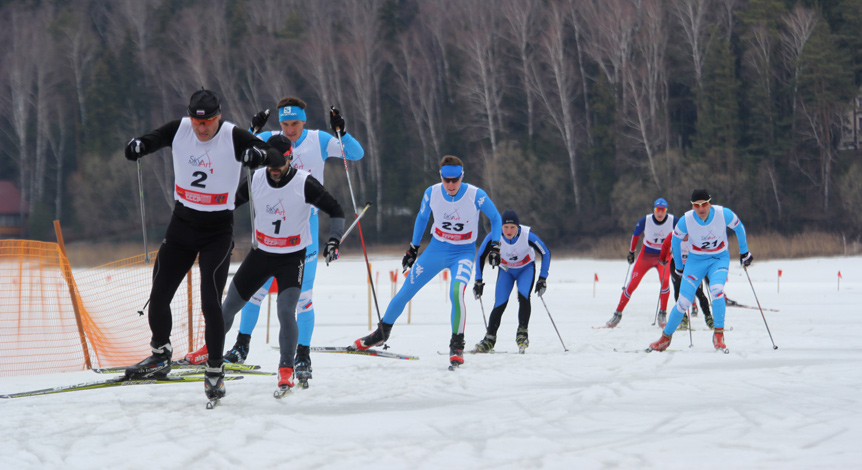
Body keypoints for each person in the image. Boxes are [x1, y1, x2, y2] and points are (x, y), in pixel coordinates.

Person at [183, 97, 363, 389]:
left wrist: (342, 131)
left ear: (303, 122)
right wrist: (251, 130)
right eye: (285, 124)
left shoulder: (319, 140)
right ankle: (230, 347)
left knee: (296, 304)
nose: (289, 129)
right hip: (264, 242)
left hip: (302, 233)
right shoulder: (265, 145)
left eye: (294, 124)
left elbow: (355, 154)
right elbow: (230, 182)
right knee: (239, 300)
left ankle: (298, 358)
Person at [122, 89, 287, 401]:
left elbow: (276, 156)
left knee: (210, 303)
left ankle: (214, 369)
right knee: (158, 295)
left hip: (217, 232)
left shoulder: (232, 135)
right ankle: (160, 353)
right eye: (198, 122)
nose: (202, 128)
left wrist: (260, 156)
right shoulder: (179, 128)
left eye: (208, 121)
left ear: (218, 116)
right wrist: (138, 147)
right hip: (182, 225)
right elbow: (151, 140)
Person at [218, 134, 345, 393]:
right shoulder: (255, 178)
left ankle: (286, 369)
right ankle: (212, 357)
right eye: (270, 166)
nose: (274, 172)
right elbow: (228, 204)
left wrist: (333, 240)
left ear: (289, 159)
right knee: (228, 306)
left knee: (286, 310)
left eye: (279, 166)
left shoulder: (304, 183)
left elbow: (336, 211)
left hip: (291, 258)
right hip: (261, 254)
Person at [350, 155, 502, 367]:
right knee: (406, 290)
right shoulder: (432, 193)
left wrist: (496, 245)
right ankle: (382, 333)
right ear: (441, 177)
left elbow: (495, 218)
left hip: (463, 253)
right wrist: (413, 248)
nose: (450, 185)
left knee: (456, 291)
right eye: (446, 180)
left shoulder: (476, 195)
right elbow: (422, 218)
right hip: (436, 250)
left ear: (462, 177)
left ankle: (457, 344)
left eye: (455, 180)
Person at [649, 189, 752, 352]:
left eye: (704, 204)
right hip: (695, 261)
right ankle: (665, 338)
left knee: (717, 290)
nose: (701, 208)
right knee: (683, 302)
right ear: (692, 206)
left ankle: (718, 334)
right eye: (697, 205)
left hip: (719, 259)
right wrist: (679, 267)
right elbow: (674, 240)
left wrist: (744, 252)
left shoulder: (722, 213)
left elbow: (739, 228)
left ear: (709, 203)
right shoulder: (686, 220)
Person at [472, 210, 551, 353]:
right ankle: (489, 339)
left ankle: (522, 333)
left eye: (512, 227)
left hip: (525, 269)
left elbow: (545, 252)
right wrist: (478, 280)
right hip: (506, 271)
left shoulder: (527, 235)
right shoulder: (494, 236)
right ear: (501, 226)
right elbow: (481, 256)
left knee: (524, 296)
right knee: (500, 303)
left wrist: (542, 278)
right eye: (506, 227)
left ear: (518, 226)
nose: (509, 231)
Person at [606, 198, 676, 328]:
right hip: (646, 255)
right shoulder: (646, 220)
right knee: (632, 284)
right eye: (657, 210)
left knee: (665, 281)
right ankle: (617, 314)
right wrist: (631, 252)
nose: (660, 213)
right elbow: (635, 236)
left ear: (666, 211)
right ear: (654, 210)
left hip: (663, 256)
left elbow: (684, 234)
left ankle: (662, 313)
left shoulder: (673, 221)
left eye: (663, 210)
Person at [658, 233, 714, 329]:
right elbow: (665, 245)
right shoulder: (673, 234)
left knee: (699, 292)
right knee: (679, 290)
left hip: (693, 266)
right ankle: (683, 318)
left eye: (687, 234)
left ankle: (709, 318)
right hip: (676, 265)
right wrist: (662, 258)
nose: (685, 236)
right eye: (683, 234)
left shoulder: (696, 234)